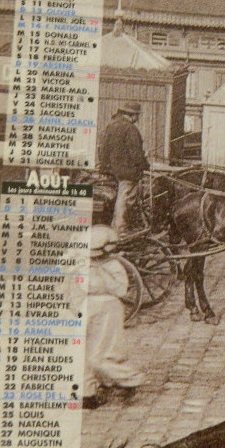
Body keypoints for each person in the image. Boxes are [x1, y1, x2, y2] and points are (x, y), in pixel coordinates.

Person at [82, 225, 146, 409]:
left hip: (107, 309)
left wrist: (101, 273)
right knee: (82, 353)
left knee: (100, 354)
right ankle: (87, 393)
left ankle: (130, 378)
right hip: (84, 308)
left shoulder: (113, 266)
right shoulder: (79, 264)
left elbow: (120, 289)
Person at [98, 101, 149, 236]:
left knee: (120, 197)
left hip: (112, 170)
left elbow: (102, 149)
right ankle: (121, 229)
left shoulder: (111, 126)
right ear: (132, 115)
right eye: (137, 115)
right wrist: (145, 166)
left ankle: (116, 225)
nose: (137, 118)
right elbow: (136, 153)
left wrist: (105, 167)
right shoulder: (130, 129)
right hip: (127, 172)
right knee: (126, 198)